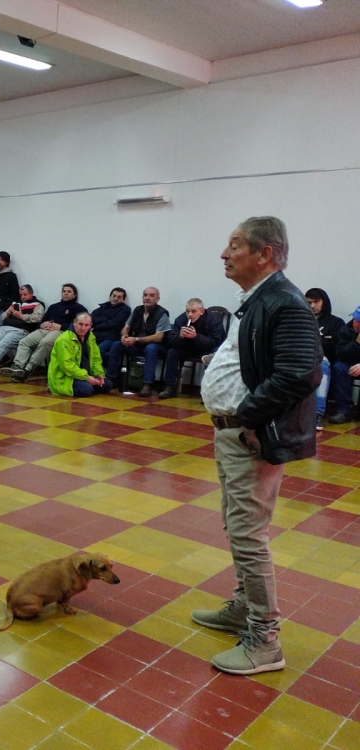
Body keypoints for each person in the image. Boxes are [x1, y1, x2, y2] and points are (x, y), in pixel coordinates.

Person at [193, 216, 321, 676]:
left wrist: (248, 416)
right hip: (232, 433)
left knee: (248, 534)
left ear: (264, 253)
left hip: (251, 435)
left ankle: (264, 640)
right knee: (236, 525)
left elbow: (300, 374)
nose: (224, 254)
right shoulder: (257, 300)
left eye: (235, 246)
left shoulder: (285, 303)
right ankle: (242, 609)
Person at [1, 284, 87, 382]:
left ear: (74, 295)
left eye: (69, 291)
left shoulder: (79, 308)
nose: (66, 293)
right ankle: (17, 367)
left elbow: (80, 326)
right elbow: (42, 320)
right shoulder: (53, 306)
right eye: (64, 291)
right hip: (45, 329)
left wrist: (61, 326)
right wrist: (42, 324)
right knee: (25, 341)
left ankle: (27, 370)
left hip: (62, 331)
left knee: (45, 342)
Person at [103, 287, 170, 396]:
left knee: (151, 348)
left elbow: (159, 337)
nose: (147, 298)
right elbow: (126, 328)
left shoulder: (162, 314)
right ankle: (111, 379)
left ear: (158, 299)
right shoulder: (137, 310)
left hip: (156, 347)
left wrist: (136, 339)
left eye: (151, 295)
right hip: (137, 345)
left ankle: (147, 384)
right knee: (117, 344)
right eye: (145, 295)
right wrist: (124, 336)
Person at [157, 299, 226, 399]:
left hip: (207, 349)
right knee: (172, 352)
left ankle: (208, 392)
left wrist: (196, 336)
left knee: (211, 356)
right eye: (187, 311)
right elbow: (170, 341)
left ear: (201, 311)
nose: (190, 314)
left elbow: (217, 342)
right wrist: (180, 336)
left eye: (193, 311)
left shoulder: (213, 320)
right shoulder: (181, 319)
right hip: (188, 348)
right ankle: (170, 387)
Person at [0, 285, 44, 375]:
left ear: (31, 294)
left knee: (4, 343)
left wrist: (21, 316)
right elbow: (2, 318)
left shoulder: (38, 304)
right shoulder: (15, 303)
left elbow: (37, 318)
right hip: (5, 327)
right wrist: (7, 313)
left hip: (21, 329)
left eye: (25, 294)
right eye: (21, 295)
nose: (22, 297)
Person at [305, 288, 345, 429]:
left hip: (322, 360)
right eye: (309, 302)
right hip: (300, 359)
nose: (313, 306)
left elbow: (339, 348)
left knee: (322, 368)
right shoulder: (299, 320)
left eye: (316, 302)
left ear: (324, 302)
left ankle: (317, 414)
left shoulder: (336, 323)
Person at [48, 313, 112, 398]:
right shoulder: (64, 339)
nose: (83, 328)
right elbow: (67, 366)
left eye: (86, 325)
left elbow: (96, 359)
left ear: (90, 325)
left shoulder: (91, 337)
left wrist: (99, 375)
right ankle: (59, 387)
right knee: (86, 389)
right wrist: (86, 377)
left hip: (83, 373)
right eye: (80, 324)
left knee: (107, 385)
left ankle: (89, 385)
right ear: (74, 322)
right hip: (66, 375)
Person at [328, 305, 360, 425]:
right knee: (339, 367)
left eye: (359, 321)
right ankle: (343, 409)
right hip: (352, 364)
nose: (355, 323)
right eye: (355, 319)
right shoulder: (346, 329)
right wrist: (356, 342)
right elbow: (340, 354)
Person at [89, 288, 131, 365]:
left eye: (119, 297)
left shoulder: (125, 310)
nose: (115, 298)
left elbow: (114, 324)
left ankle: (112, 368)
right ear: (110, 296)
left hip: (111, 337)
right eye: (114, 296)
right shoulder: (103, 307)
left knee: (99, 350)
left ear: (123, 299)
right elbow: (91, 319)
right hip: (95, 335)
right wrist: (104, 320)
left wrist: (97, 325)